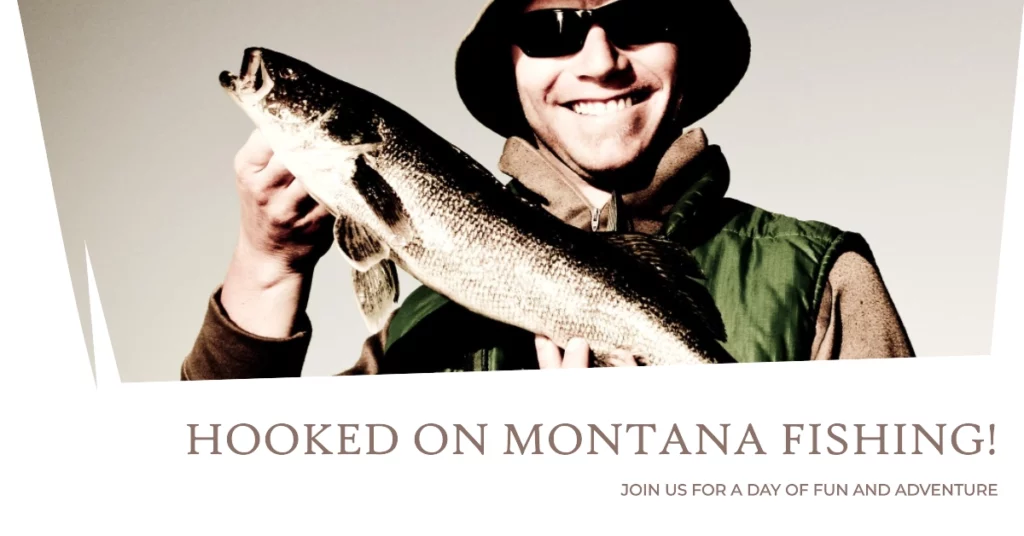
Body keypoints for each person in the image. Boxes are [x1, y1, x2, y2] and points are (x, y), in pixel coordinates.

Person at [181, 0, 914, 380]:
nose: (599, 59)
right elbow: (214, 480)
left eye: (639, 20)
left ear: (687, 52)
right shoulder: (422, 326)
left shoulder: (822, 276)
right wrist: (267, 268)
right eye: (552, 29)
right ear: (510, 65)